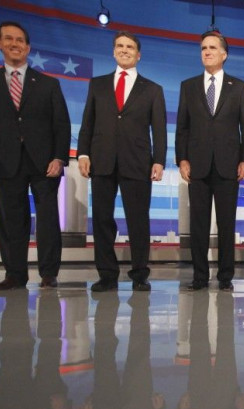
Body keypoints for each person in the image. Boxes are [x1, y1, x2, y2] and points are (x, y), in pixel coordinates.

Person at [0, 21, 71, 291]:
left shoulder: (49, 84)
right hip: (6, 160)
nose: (15, 44)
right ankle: (15, 275)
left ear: (28, 47)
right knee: (11, 220)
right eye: (9, 39)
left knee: (47, 221)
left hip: (45, 163)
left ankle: (48, 274)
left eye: (20, 40)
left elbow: (62, 124)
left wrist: (59, 158)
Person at [78, 31, 166, 292]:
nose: (124, 50)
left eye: (130, 47)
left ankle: (140, 274)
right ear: (114, 51)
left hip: (137, 162)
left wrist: (159, 160)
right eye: (120, 46)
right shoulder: (97, 84)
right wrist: (83, 154)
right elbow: (87, 123)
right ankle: (107, 274)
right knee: (102, 219)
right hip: (102, 161)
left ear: (138, 54)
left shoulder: (152, 89)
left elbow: (159, 130)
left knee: (138, 220)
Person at [176, 31, 244, 292]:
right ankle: (199, 276)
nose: (206, 52)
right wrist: (182, 159)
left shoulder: (239, 87)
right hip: (196, 165)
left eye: (212, 47)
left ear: (224, 54)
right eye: (203, 48)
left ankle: (225, 277)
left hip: (228, 165)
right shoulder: (188, 86)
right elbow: (182, 128)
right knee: (197, 224)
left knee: (226, 224)